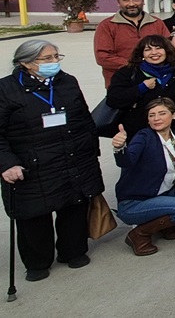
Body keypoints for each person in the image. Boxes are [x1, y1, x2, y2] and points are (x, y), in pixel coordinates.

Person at [1, 40, 104, 281]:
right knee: (34, 213)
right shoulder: (6, 89)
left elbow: (84, 118)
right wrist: (6, 163)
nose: (54, 62)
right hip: (32, 162)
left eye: (57, 56)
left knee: (74, 204)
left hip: (73, 156)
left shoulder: (67, 82)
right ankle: (37, 262)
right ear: (26, 63)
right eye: (47, 58)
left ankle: (73, 251)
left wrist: (91, 148)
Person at [111, 98, 175, 256]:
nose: (156, 118)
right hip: (135, 202)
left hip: (165, 193)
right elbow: (126, 162)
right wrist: (119, 148)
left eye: (162, 113)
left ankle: (164, 224)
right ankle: (139, 234)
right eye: (151, 115)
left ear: (173, 115)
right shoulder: (144, 136)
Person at [106, 35, 175, 139]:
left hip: (171, 133)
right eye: (148, 49)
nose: (154, 52)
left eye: (158, 48)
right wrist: (141, 88)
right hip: (136, 133)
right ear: (142, 53)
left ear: (167, 51)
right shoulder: (128, 73)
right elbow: (113, 99)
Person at [94, 0, 171, 87]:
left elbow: (169, 49)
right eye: (126, 0)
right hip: (121, 83)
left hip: (155, 82)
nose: (131, 4)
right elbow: (102, 57)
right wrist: (136, 66)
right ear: (118, 3)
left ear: (143, 1)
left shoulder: (157, 23)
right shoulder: (107, 26)